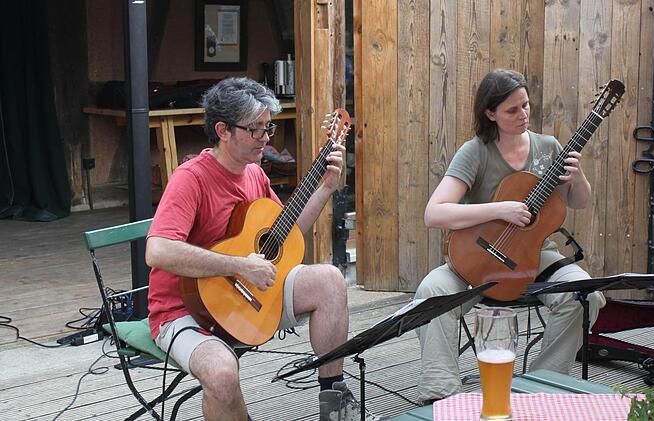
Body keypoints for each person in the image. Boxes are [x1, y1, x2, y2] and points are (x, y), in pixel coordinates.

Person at [145, 77, 379, 421]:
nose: (266, 138)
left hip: (248, 297)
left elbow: (282, 237)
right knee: (222, 373)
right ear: (224, 130)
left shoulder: (254, 174)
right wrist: (238, 265)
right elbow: (158, 251)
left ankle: (334, 404)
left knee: (329, 279)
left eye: (268, 127)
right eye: (257, 129)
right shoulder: (190, 178)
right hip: (183, 310)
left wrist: (325, 190)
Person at [414, 69, 607, 405]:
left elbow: (578, 202)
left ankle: (543, 387)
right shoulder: (475, 152)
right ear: (490, 113)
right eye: (512, 110)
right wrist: (499, 209)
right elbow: (435, 213)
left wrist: (579, 178)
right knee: (432, 291)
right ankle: (441, 393)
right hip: (479, 255)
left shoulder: (549, 148)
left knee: (585, 295)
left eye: (526, 105)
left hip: (536, 255)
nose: (523, 114)